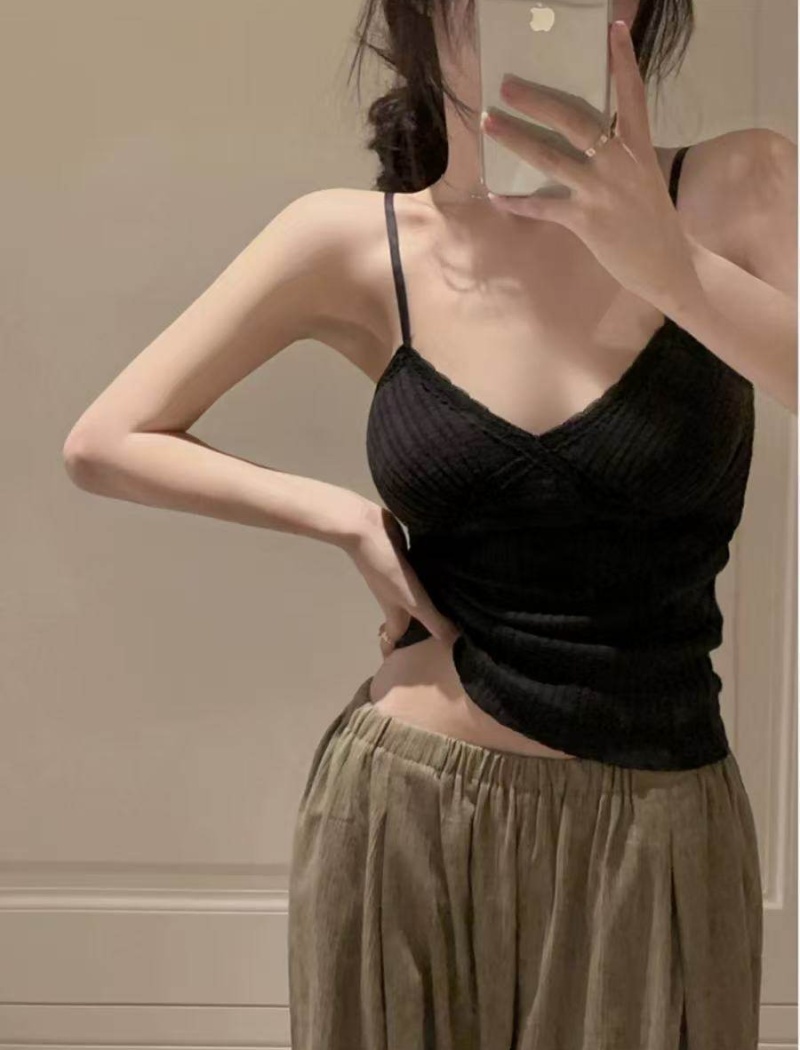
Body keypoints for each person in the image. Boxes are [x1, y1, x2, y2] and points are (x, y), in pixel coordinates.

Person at [62, 0, 797, 1047]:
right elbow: (106, 439)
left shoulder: (743, 184)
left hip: (657, 836)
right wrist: (344, 518)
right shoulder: (356, 242)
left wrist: (667, 263)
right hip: (405, 819)